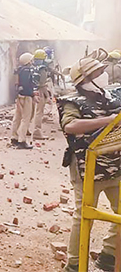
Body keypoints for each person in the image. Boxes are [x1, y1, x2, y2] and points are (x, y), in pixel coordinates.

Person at [58, 56, 121, 272]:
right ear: (85, 81)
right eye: (97, 74)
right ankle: (74, 263)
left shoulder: (112, 95)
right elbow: (71, 126)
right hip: (87, 168)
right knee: (84, 215)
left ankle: (109, 255)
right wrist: (109, 120)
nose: (102, 76)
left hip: (115, 164)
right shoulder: (72, 102)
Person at [10, 53, 38, 149]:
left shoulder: (19, 70)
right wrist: (33, 95)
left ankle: (14, 137)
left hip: (19, 96)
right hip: (26, 97)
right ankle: (22, 140)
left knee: (17, 117)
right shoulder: (27, 71)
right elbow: (27, 86)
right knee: (26, 118)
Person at [31, 49, 52, 140]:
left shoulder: (32, 67)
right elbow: (42, 83)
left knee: (30, 112)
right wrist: (47, 95)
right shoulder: (42, 69)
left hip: (30, 91)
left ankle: (26, 129)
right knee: (39, 112)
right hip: (39, 92)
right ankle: (37, 132)